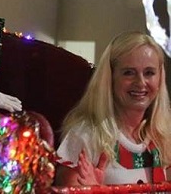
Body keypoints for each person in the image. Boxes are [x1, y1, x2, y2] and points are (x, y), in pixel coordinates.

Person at [55, 31, 171, 186]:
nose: (141, 82)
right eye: (129, 73)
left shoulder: (165, 136)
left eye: (149, 73)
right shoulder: (85, 135)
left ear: (160, 79)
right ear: (110, 78)